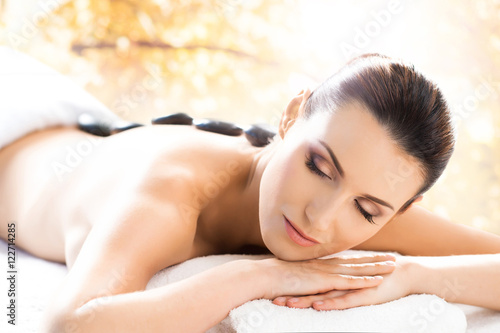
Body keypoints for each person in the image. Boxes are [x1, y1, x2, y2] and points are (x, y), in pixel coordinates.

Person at [0, 53, 499, 332]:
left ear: (400, 209)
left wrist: (410, 274)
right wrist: (258, 275)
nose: (320, 218)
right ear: (290, 115)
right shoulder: (169, 196)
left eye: (367, 211)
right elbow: (71, 326)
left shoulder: (365, 194)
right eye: (318, 166)